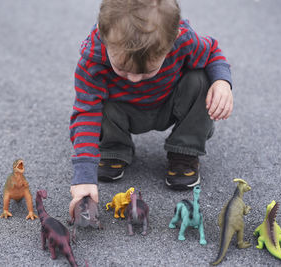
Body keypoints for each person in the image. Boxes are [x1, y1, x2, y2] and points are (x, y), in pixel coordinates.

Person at [69, 0, 233, 217]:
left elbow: (212, 51)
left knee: (201, 80)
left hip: (168, 104)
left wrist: (221, 82)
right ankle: (113, 149)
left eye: (146, 72)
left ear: (171, 42)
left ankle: (184, 152)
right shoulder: (93, 58)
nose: (135, 79)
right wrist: (84, 177)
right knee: (95, 103)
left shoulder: (183, 40)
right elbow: (86, 113)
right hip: (120, 111)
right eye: (123, 69)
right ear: (105, 37)